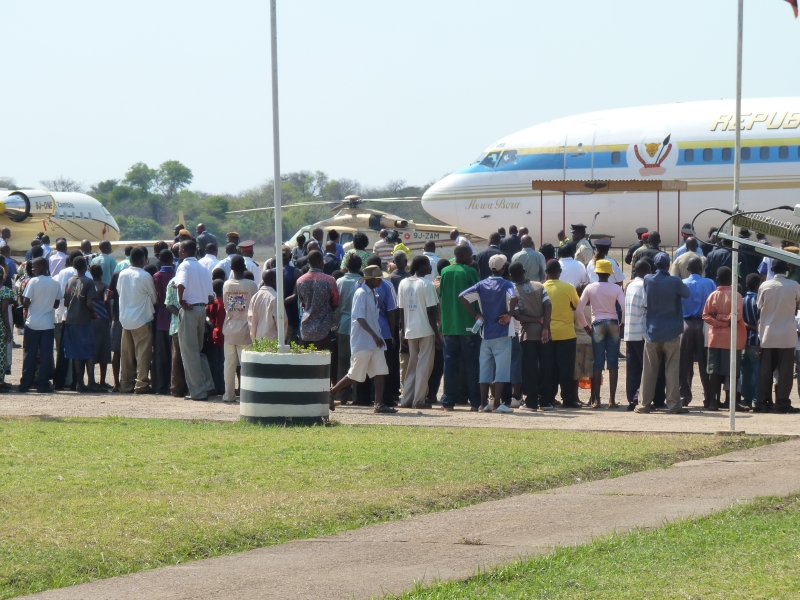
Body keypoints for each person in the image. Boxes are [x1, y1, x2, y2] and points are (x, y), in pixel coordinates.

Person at [329, 266, 396, 414]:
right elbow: (359, 318)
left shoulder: (373, 293)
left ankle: (379, 404)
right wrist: (374, 335)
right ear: (370, 280)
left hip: (375, 341)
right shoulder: (361, 294)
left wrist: (376, 336)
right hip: (363, 341)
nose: (380, 282)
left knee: (380, 371)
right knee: (355, 374)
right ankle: (332, 392)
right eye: (378, 279)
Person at [459, 254, 517, 414]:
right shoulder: (507, 284)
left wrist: (476, 315)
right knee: (501, 370)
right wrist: (510, 314)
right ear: (503, 268)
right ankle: (497, 403)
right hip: (502, 332)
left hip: (485, 333)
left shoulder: (481, 284)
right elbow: (513, 297)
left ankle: (483, 404)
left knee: (485, 369)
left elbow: (462, 296)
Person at [635, 253, 690, 414]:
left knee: (649, 370)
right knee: (671, 369)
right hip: (671, 332)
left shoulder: (648, 279)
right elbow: (686, 293)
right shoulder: (675, 281)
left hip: (652, 332)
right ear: (668, 265)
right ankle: (673, 405)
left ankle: (644, 404)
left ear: (655, 265)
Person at [577, 259, 625, 408]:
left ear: (597, 272)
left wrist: (586, 327)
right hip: (613, 323)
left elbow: (579, 310)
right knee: (613, 363)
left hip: (597, 324)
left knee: (597, 363)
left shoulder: (590, 288)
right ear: (610, 274)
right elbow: (625, 307)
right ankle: (612, 400)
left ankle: (597, 400)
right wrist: (622, 323)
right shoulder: (616, 288)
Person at [439, 245, 482, 411]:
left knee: (449, 365)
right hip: (469, 325)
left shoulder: (444, 272)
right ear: (462, 255)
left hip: (449, 325)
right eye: (470, 254)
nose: (471, 257)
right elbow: (478, 297)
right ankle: (475, 402)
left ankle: (448, 402)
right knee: (472, 364)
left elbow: (442, 296)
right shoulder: (470, 272)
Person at [755, 259, 800, 413]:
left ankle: (763, 402)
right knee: (785, 372)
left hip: (768, 335)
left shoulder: (764, 286)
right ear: (786, 269)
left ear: (772, 270)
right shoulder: (794, 286)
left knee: (765, 371)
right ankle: (782, 403)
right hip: (787, 335)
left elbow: (759, 306)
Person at [174, 239, 215, 401]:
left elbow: (181, 283)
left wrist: (180, 300)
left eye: (180, 249)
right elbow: (210, 295)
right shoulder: (202, 267)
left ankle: (197, 392)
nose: (178, 252)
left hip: (189, 309)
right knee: (198, 351)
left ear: (184, 251)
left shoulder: (184, 265)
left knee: (189, 352)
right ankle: (208, 385)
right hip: (201, 309)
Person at [398, 255, 441, 409]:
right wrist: (437, 335)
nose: (430, 267)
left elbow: (402, 310)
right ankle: (419, 400)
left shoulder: (403, 283)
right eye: (428, 265)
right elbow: (431, 312)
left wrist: (403, 332)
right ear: (421, 267)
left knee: (412, 365)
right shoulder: (427, 284)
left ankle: (407, 399)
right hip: (426, 330)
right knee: (424, 366)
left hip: (410, 330)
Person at [702, 266, 747, 411]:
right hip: (732, 339)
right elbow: (736, 317)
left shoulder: (712, 296)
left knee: (713, 372)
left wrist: (717, 319)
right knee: (732, 372)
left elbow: (706, 315)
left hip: (715, 338)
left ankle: (713, 402)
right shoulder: (736, 296)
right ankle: (730, 402)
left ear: (717, 279)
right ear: (731, 279)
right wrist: (726, 322)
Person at [509, 261, 551, 411]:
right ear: (524, 271)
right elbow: (548, 305)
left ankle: (531, 402)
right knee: (545, 367)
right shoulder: (539, 286)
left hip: (527, 335)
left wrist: (536, 320)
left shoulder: (513, 291)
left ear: (511, 276)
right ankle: (546, 401)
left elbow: (517, 315)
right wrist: (544, 326)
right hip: (545, 334)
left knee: (529, 369)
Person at [541, 260, 580, 409]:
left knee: (549, 368)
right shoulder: (569, 288)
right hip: (567, 333)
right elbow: (576, 305)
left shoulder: (542, 287)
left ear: (546, 273)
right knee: (566, 368)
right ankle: (568, 399)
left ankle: (549, 398)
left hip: (547, 333)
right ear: (560, 272)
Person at [116, 248, 156, 394]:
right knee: (143, 354)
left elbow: (119, 291)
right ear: (143, 259)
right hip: (141, 319)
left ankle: (126, 384)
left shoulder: (122, 274)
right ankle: (141, 384)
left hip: (125, 319)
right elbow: (154, 297)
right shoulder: (145, 276)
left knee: (127, 354)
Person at [19, 257, 60, 393]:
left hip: (32, 323)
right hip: (48, 324)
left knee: (30, 354)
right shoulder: (55, 282)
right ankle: (43, 384)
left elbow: (26, 302)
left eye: (34, 267)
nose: (32, 269)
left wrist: (34, 305)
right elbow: (56, 304)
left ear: (41, 267)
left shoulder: (33, 281)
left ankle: (26, 383)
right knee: (46, 355)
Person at [221, 255, 259, 403]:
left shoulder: (226, 285)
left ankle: (228, 395)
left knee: (229, 365)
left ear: (231, 268)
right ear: (244, 268)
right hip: (245, 330)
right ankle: (246, 395)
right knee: (246, 366)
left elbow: (226, 306)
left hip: (230, 329)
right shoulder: (251, 285)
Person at [679, 256, 716, 408]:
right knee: (705, 362)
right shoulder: (709, 283)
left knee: (684, 363)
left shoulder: (682, 283)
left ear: (687, 269)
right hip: (704, 325)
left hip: (686, 325)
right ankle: (709, 397)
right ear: (701, 269)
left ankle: (684, 396)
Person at [63, 256, 101, 392]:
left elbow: (66, 302)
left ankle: (79, 383)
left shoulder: (70, 281)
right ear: (85, 267)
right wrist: (93, 313)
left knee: (76, 352)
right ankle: (91, 382)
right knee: (89, 351)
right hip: (84, 320)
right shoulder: (88, 282)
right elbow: (89, 302)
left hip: (71, 320)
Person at [334, 253, 363, 404]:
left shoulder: (339, 282)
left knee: (343, 363)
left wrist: (335, 325)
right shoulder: (362, 282)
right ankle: (358, 396)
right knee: (359, 363)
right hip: (360, 328)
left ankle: (342, 396)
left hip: (343, 326)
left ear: (346, 266)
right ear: (360, 266)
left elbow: (336, 307)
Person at [296, 250, 340, 351]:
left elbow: (302, 301)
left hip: (305, 327)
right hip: (324, 327)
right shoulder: (330, 280)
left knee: (306, 358)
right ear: (320, 262)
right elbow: (336, 301)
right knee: (323, 357)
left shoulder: (300, 280)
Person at [624, 260, 651, 410]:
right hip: (641, 333)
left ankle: (631, 399)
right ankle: (638, 398)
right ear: (646, 271)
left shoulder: (630, 285)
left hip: (630, 332)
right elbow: (647, 306)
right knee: (645, 368)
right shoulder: (644, 286)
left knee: (632, 369)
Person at [151, 248, 176, 395]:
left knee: (161, 355)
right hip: (174, 318)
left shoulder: (156, 276)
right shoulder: (176, 275)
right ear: (172, 260)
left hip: (160, 318)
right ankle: (173, 384)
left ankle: (160, 385)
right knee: (174, 355)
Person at [88, 264, 112, 388]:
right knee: (104, 351)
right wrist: (111, 316)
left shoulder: (89, 285)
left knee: (92, 351)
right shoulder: (104, 286)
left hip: (90, 320)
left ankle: (91, 379)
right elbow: (106, 300)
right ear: (101, 273)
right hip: (102, 320)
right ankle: (102, 380)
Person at [741, 273, 761, 408]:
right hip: (756, 341)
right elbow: (761, 322)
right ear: (758, 285)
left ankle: (746, 399)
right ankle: (756, 399)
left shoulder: (741, 300)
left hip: (743, 341)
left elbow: (740, 321)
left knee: (745, 372)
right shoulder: (759, 301)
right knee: (757, 371)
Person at [249, 269, 285, 342]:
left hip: (258, 340)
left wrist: (254, 340)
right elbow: (281, 321)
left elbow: (250, 319)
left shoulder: (255, 297)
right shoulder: (276, 297)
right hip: (273, 341)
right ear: (274, 280)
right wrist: (282, 341)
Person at [281, 245, 302, 344]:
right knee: (289, 346)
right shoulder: (297, 272)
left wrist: (277, 305)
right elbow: (295, 296)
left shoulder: (270, 272)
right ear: (290, 257)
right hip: (290, 315)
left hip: (274, 314)